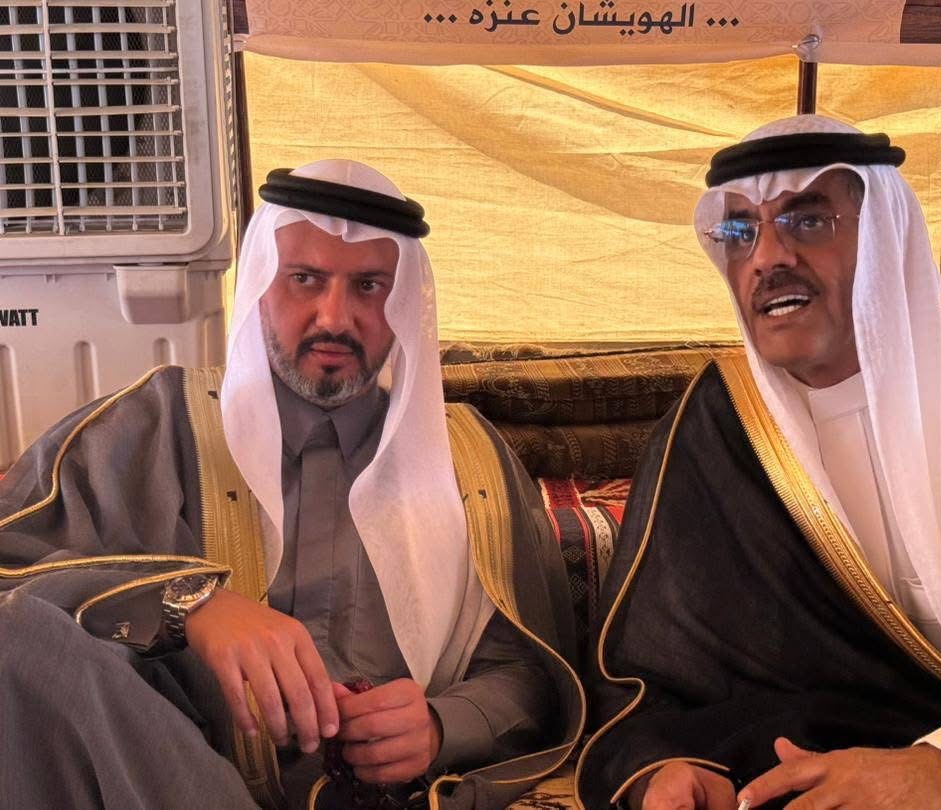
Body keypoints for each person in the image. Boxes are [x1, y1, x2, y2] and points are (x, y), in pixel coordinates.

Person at [0, 160, 582, 810]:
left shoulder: (469, 461)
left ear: (403, 303)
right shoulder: (149, 427)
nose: (335, 317)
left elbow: (533, 671)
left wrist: (440, 726)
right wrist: (188, 603)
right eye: (305, 279)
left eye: (369, 286)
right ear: (259, 284)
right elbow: (11, 577)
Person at [575, 115, 941, 810]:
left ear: (885, 240)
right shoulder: (716, 425)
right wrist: (666, 771)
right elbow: (647, 678)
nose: (766, 257)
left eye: (808, 221)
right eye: (740, 232)